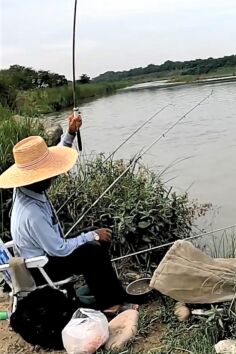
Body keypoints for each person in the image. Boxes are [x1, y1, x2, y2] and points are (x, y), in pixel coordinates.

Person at [0, 113, 135, 314]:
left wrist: (70, 132)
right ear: (33, 178)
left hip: (46, 251)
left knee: (94, 235)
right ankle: (110, 305)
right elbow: (60, 250)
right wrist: (92, 235)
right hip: (41, 268)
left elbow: (57, 157)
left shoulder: (24, 188)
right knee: (92, 250)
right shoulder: (31, 213)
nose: (53, 175)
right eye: (48, 173)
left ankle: (106, 289)